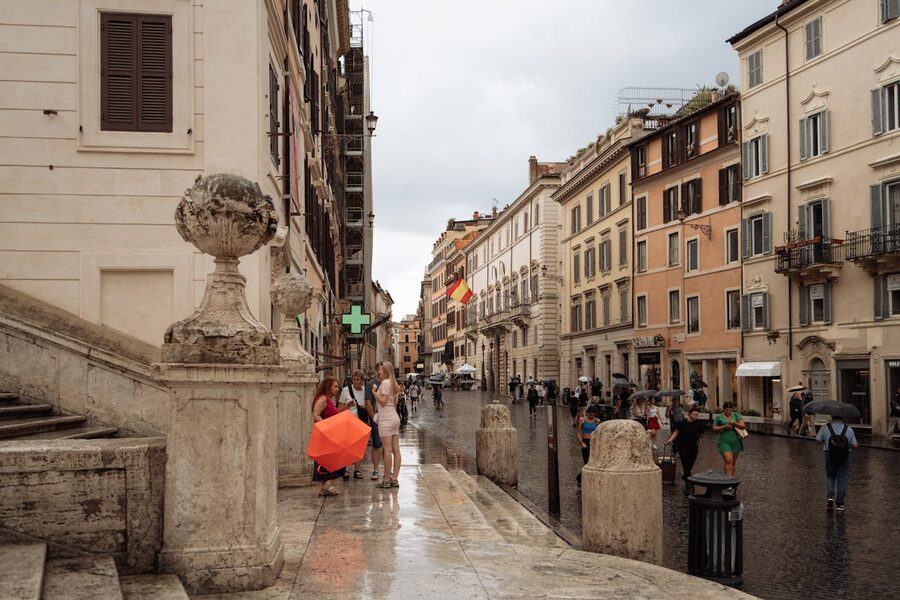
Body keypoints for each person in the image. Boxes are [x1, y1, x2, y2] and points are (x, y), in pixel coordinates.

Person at [815, 415, 859, 511]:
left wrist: (826, 439)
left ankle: (830, 497)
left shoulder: (825, 427)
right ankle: (840, 504)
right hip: (844, 456)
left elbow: (817, 441)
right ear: (842, 418)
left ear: (832, 417)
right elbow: (855, 445)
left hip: (829, 455)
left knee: (830, 476)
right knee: (842, 478)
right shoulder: (849, 429)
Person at [312, 377, 345, 496]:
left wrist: (347, 407)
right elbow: (316, 415)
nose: (337, 389)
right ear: (328, 386)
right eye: (335, 386)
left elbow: (333, 413)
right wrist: (327, 427)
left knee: (329, 460)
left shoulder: (330, 399)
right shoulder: (323, 399)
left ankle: (324, 488)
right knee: (329, 460)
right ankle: (327, 484)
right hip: (324, 435)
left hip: (330, 434)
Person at [372, 360, 402, 489]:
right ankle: (394, 479)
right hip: (394, 417)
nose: (378, 372)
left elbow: (383, 402)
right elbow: (394, 402)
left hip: (386, 419)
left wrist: (374, 393)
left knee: (387, 450)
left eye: (379, 369)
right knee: (396, 450)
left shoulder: (385, 383)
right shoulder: (394, 383)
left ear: (385, 370)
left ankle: (386, 480)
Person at [666, 405, 705, 495]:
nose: (696, 416)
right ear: (689, 414)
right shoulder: (682, 423)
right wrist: (670, 440)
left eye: (697, 414)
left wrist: (696, 437)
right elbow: (676, 431)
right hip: (683, 446)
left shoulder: (698, 423)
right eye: (694, 414)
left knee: (691, 463)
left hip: (693, 446)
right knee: (686, 463)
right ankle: (688, 483)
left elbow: (702, 434)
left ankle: (686, 475)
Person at [339, 370, 368, 480]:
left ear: (362, 381)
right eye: (354, 379)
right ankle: (345, 470)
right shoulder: (346, 390)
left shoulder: (365, 391)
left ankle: (357, 470)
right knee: (346, 447)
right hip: (348, 423)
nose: (356, 382)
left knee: (358, 447)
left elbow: (369, 406)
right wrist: (348, 405)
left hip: (361, 423)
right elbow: (339, 409)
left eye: (358, 380)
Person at [712, 402, 746, 476]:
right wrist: (724, 427)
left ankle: (729, 478)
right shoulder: (719, 417)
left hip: (736, 441)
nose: (728, 412)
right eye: (726, 410)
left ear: (732, 409)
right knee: (728, 460)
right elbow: (714, 428)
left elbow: (743, 426)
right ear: (723, 409)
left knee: (732, 462)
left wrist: (734, 423)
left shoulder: (736, 415)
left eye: (729, 410)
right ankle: (728, 480)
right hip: (723, 441)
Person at [575, 405, 601, 486]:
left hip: (593, 442)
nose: (591, 416)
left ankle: (586, 478)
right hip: (585, 442)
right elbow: (578, 432)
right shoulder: (582, 420)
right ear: (587, 413)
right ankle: (579, 477)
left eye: (593, 414)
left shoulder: (597, 421)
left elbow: (598, 433)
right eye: (590, 414)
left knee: (593, 462)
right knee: (587, 462)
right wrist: (581, 442)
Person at [365, 367, 383, 481]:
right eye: (379, 369)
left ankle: (388, 469)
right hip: (376, 417)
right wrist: (374, 418)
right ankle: (376, 469)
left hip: (387, 418)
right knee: (377, 444)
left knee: (388, 445)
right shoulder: (371, 384)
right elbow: (367, 402)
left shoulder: (389, 383)